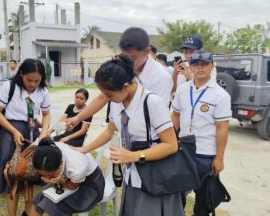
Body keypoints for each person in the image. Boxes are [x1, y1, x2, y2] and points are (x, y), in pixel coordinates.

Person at [76, 54, 183, 216]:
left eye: (109, 95)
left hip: (154, 180)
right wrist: (84, 149)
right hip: (132, 177)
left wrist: (134, 156)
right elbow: (109, 131)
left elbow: (171, 145)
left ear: (125, 86)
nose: (106, 99)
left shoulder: (152, 102)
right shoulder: (116, 103)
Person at [66, 27, 173, 130]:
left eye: (133, 57)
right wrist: (77, 118)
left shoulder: (161, 77)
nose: (129, 61)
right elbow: (103, 97)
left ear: (147, 51)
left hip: (148, 139)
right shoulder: (123, 66)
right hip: (124, 133)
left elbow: (159, 115)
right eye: (125, 56)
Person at [171, 50, 231, 216]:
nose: (200, 68)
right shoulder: (183, 89)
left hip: (206, 155)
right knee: (177, 195)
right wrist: (168, 141)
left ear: (212, 66)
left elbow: (222, 128)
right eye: (196, 64)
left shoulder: (221, 95)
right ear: (190, 66)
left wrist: (219, 158)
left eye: (204, 64)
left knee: (203, 202)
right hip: (183, 151)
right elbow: (175, 116)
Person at [0, 58, 51, 216]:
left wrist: (43, 132)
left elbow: (46, 114)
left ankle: (27, 212)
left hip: (32, 134)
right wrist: (14, 131)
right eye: (29, 80)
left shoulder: (43, 91)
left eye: (37, 80)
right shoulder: (9, 86)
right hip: (11, 133)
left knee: (30, 175)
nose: (32, 84)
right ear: (21, 74)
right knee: (12, 176)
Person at [29, 137, 105, 216]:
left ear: (61, 162)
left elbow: (73, 186)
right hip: (70, 178)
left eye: (50, 175)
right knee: (40, 198)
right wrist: (56, 179)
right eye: (42, 175)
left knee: (53, 204)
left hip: (90, 185)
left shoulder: (77, 166)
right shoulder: (50, 149)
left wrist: (63, 181)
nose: (47, 178)